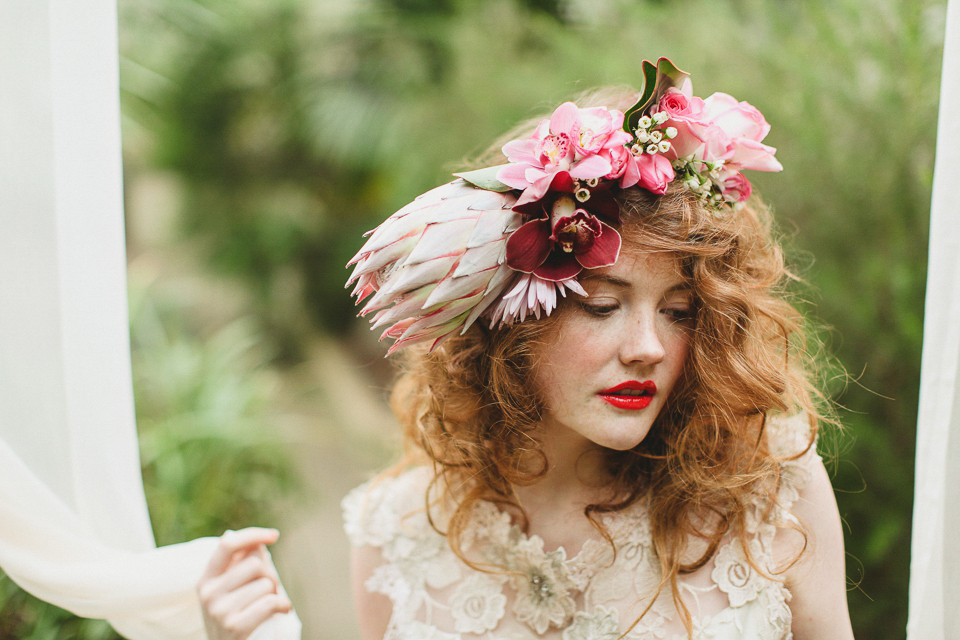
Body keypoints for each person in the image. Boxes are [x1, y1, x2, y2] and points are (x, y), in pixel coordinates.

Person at [197, 58, 855, 640]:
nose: (648, 348)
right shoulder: (398, 535)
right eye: (602, 305)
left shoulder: (770, 490)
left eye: (679, 312)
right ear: (511, 317)